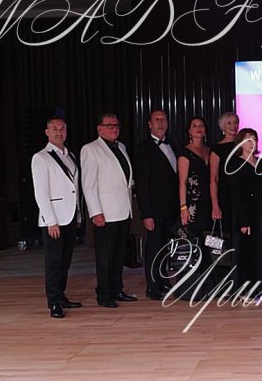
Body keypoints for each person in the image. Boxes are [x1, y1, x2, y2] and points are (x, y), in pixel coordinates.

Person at [80, 113, 138, 308]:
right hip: (105, 213)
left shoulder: (121, 147)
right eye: (109, 125)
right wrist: (95, 212)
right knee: (105, 256)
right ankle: (103, 294)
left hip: (123, 210)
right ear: (100, 129)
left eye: (116, 125)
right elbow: (88, 185)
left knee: (119, 254)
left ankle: (117, 289)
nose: (114, 129)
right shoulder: (90, 149)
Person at [31, 116, 83, 319]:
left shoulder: (70, 156)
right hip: (54, 219)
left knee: (65, 261)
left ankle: (61, 295)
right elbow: (41, 192)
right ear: (47, 132)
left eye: (62, 129)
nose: (59, 132)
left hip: (70, 215)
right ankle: (53, 301)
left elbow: (74, 188)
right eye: (55, 129)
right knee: (53, 262)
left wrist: (78, 213)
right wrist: (50, 221)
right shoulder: (41, 157)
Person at [133, 109, 180, 300]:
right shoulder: (143, 149)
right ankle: (152, 287)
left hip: (172, 208)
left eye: (163, 119)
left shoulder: (173, 145)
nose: (160, 123)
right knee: (153, 248)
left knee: (166, 247)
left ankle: (162, 281)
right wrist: (146, 214)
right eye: (157, 119)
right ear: (149, 124)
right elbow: (142, 185)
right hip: (154, 210)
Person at [228, 128, 262, 298]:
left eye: (254, 139)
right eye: (247, 139)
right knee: (246, 250)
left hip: (259, 211)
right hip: (245, 211)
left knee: (261, 249)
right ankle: (244, 288)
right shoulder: (235, 163)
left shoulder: (260, 162)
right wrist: (243, 220)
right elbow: (236, 194)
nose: (251, 143)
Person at [176, 116, 213, 298]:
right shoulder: (185, 153)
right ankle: (190, 289)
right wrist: (183, 207)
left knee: (208, 243)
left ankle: (208, 287)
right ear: (189, 131)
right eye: (194, 125)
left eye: (201, 125)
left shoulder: (209, 150)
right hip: (192, 205)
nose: (198, 128)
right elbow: (182, 182)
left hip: (208, 203)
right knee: (193, 243)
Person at [209, 111, 239, 237]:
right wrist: (215, 205)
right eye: (229, 123)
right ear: (222, 127)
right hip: (226, 196)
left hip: (243, 194)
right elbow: (213, 179)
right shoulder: (217, 150)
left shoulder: (243, 145)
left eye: (235, 122)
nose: (233, 126)